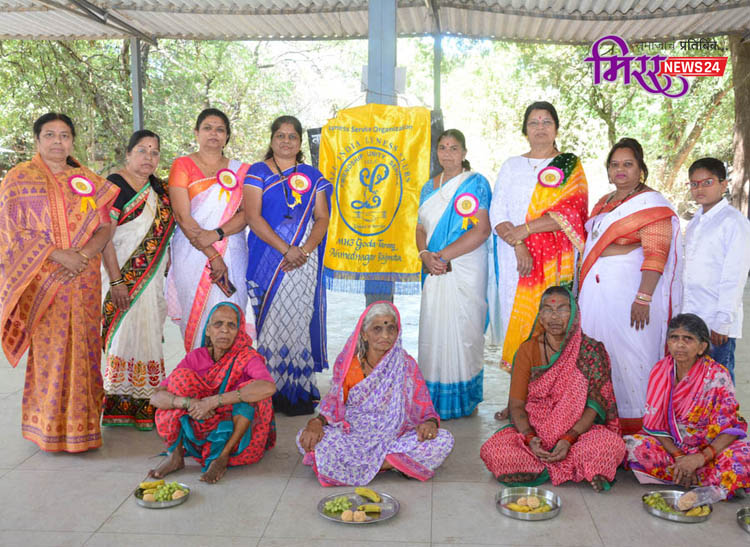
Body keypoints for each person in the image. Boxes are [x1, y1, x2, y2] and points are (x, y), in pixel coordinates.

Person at [0, 112, 119, 452]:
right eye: (50, 135)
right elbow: (10, 232)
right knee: (50, 353)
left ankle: (85, 430)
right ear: (37, 140)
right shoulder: (18, 178)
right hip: (43, 280)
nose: (57, 141)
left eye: (64, 135)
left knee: (85, 348)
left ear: (72, 141)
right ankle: (47, 429)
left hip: (83, 278)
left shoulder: (87, 179)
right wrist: (56, 255)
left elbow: (105, 226)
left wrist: (82, 255)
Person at [488, 101, 588, 420]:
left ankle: (553, 401)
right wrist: (519, 243)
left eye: (547, 121)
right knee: (517, 328)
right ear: (525, 129)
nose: (540, 127)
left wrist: (527, 229)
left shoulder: (569, 165)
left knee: (552, 325)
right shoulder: (511, 165)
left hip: (553, 263)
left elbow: (573, 212)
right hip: (514, 262)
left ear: (556, 128)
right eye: (534, 122)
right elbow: (497, 211)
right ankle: (517, 400)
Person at [579, 138, 682, 435]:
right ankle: (600, 425)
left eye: (628, 164)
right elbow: (592, 245)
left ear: (640, 169)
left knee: (632, 357)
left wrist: (643, 297)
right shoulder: (603, 202)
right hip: (597, 296)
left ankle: (639, 428)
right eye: (614, 165)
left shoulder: (651, 204)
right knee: (599, 355)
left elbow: (656, 254)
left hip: (632, 298)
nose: (620, 170)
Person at [480, 286, 625, 491]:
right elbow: (516, 404)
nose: (554, 317)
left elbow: (593, 407)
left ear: (574, 314)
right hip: (535, 433)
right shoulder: (527, 350)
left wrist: (568, 439)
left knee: (611, 445)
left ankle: (551, 465)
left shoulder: (591, 350)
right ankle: (577, 468)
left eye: (562, 309)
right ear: (540, 316)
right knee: (494, 452)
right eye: (547, 310)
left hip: (578, 435)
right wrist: (530, 438)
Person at [296, 302, 454, 486]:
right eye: (377, 329)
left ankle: (360, 466)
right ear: (364, 334)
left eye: (391, 329)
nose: (385, 336)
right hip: (355, 437)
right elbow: (333, 404)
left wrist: (430, 423)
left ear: (397, 333)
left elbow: (425, 408)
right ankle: (392, 463)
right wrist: (316, 423)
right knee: (305, 438)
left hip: (395, 437)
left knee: (443, 440)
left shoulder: (406, 365)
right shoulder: (349, 365)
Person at [244, 115, 331, 415]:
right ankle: (267, 391)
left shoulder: (313, 176)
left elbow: (322, 218)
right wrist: (286, 250)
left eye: (292, 136)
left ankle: (297, 390)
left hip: (303, 261)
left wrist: (303, 250)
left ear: (299, 142)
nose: (286, 141)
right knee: (269, 324)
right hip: (268, 257)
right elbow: (252, 216)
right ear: (271, 140)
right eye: (280, 135)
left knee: (297, 322)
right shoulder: (257, 172)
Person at [149, 302, 276, 484]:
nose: (224, 330)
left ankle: (222, 457)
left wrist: (214, 401)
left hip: (235, 430)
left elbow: (268, 387)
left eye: (231, 325)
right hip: (201, 420)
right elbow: (156, 397)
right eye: (218, 324)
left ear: (239, 331)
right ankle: (175, 455)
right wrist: (189, 403)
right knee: (178, 382)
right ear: (208, 330)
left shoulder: (246, 357)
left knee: (252, 395)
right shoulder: (196, 357)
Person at [625, 314, 750, 496]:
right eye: (674, 338)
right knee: (632, 445)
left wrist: (699, 458)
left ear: (702, 347)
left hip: (708, 448)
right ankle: (700, 477)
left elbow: (730, 427)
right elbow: (654, 426)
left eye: (688, 339)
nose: (680, 344)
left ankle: (687, 475)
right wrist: (679, 456)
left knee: (743, 455)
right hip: (674, 447)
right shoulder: (660, 370)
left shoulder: (717, 376)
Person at [100, 130, 175, 430]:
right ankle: (118, 404)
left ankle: (147, 403)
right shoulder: (114, 185)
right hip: (119, 276)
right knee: (123, 337)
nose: (149, 157)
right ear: (128, 153)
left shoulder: (159, 190)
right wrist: (117, 281)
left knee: (148, 335)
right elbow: (105, 238)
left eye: (154, 152)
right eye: (142, 150)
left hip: (151, 280)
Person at [416, 129, 491, 419]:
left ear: (464, 152)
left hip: (465, 266)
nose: (447, 153)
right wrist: (425, 255)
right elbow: (420, 228)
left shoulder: (476, 183)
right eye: (443, 147)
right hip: (433, 267)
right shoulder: (428, 188)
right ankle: (433, 397)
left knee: (464, 330)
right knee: (434, 328)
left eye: (454, 148)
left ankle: (464, 398)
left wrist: (443, 256)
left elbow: (481, 230)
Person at [166, 108, 252, 352]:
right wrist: (213, 255)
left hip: (232, 251)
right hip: (192, 253)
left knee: (231, 311)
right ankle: (199, 366)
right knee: (197, 315)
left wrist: (216, 235)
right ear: (196, 133)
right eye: (207, 128)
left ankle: (230, 371)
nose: (213, 133)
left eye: (220, 129)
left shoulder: (242, 170)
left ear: (227, 136)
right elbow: (183, 216)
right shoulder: (182, 165)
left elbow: (247, 213)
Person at [682, 157, 750, 384]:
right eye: (694, 184)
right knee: (697, 385)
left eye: (707, 182)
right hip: (693, 319)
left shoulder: (734, 222)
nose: (699, 188)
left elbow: (734, 275)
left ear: (723, 184)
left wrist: (723, 321)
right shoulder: (696, 221)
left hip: (716, 323)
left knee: (719, 385)